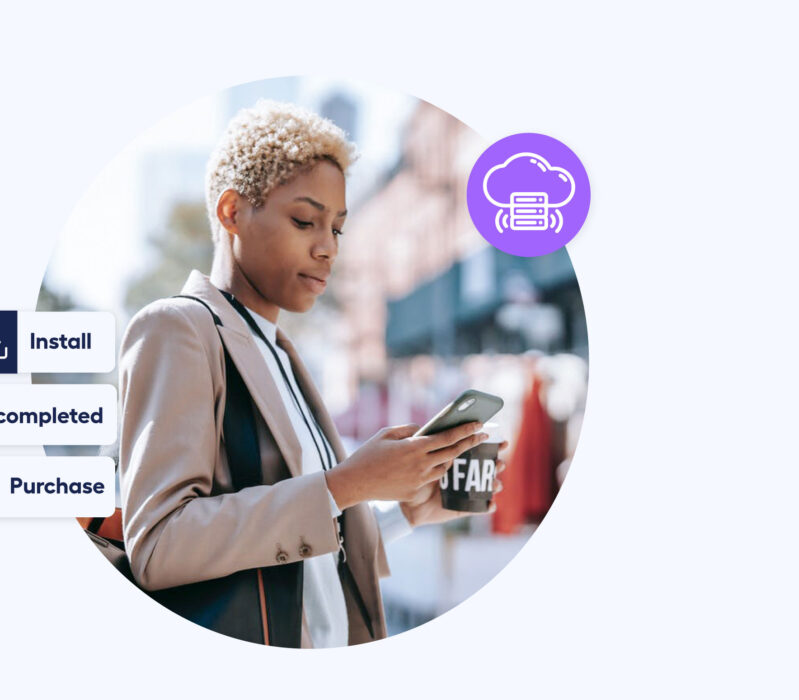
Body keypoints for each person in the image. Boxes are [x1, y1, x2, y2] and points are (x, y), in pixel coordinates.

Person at [118, 100, 507, 648]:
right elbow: (158, 545)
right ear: (231, 213)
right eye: (305, 221)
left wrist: (405, 509)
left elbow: (311, 546)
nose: (327, 248)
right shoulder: (178, 329)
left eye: (338, 229)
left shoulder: (279, 351)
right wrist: (346, 483)